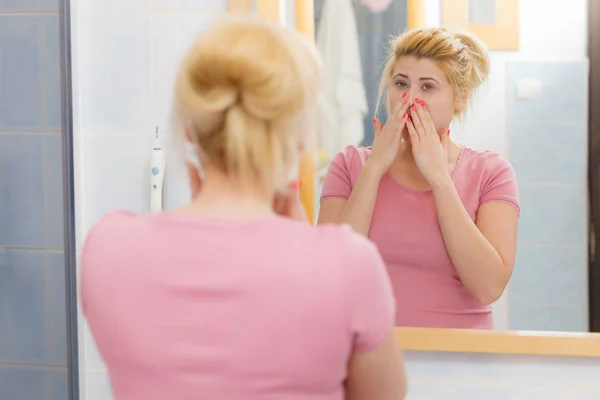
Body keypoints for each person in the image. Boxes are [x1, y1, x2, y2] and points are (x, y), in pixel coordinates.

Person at [80, 16, 407, 400]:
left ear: (190, 129)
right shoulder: (349, 264)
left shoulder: (108, 247)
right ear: (300, 135)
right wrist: (310, 243)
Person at [318, 27, 520, 330]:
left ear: (459, 99)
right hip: (367, 356)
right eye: (401, 83)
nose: (409, 98)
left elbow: (488, 287)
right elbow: (328, 276)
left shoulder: (492, 173)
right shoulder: (349, 165)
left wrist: (439, 178)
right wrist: (374, 170)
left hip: (463, 361)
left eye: (427, 87)